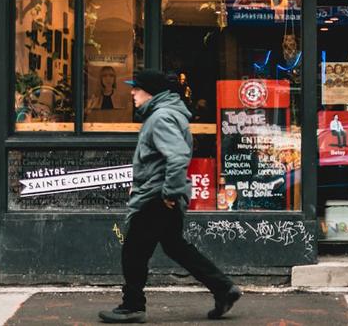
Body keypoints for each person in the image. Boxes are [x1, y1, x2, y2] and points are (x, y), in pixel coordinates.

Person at [99, 69, 241, 324]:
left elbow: (176, 157)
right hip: (160, 193)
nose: (132, 92)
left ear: (151, 92)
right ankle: (223, 288)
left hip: (158, 196)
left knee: (133, 251)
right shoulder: (164, 115)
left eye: (137, 88)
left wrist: (169, 193)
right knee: (175, 247)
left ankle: (132, 305)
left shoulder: (161, 118)